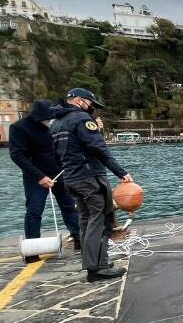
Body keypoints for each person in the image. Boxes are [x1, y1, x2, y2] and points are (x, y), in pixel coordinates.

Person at [50, 87, 133, 281]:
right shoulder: (82, 120)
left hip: (71, 179)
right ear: (79, 100)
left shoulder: (56, 124)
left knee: (86, 220)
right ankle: (99, 268)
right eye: (91, 104)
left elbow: (56, 157)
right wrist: (121, 173)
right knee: (101, 221)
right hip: (90, 178)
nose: (92, 108)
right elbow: (98, 149)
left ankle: (92, 263)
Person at [9, 99, 83, 263]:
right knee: (34, 211)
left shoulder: (57, 123)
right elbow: (18, 155)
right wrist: (39, 176)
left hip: (60, 173)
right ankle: (32, 249)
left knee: (70, 207)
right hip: (35, 177)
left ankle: (79, 239)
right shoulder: (19, 127)